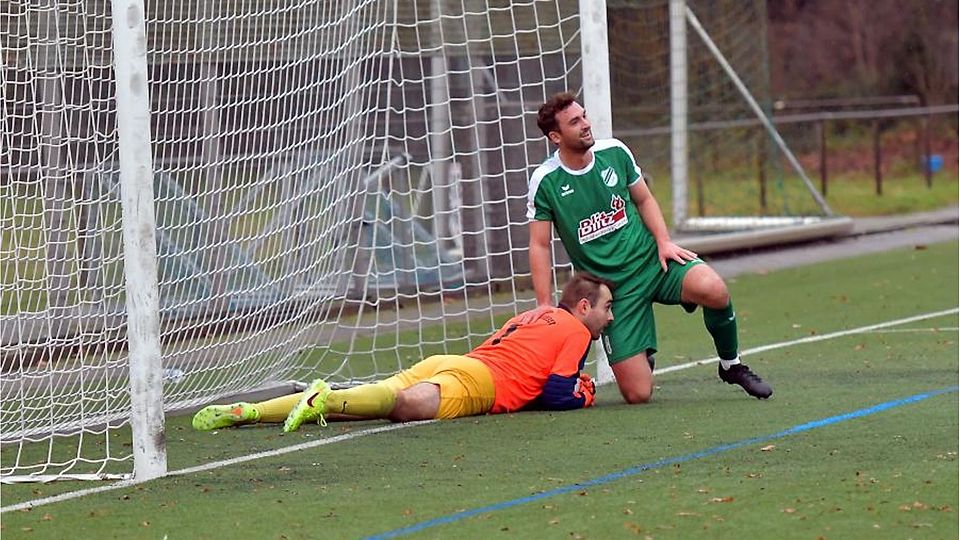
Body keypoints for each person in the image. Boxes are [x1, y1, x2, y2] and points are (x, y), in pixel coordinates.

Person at [526, 91, 772, 404]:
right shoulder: (545, 180)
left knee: (715, 289)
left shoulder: (614, 152)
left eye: (584, 115)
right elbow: (539, 244)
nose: (586, 124)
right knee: (638, 394)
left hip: (653, 263)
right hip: (612, 292)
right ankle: (642, 354)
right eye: (575, 122)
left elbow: (643, 198)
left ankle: (731, 365)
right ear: (555, 136)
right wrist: (544, 303)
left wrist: (663, 241)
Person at [192, 272, 615, 432]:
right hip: (481, 383)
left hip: (454, 363)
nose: (609, 317)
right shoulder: (574, 330)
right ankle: (323, 396)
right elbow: (556, 395)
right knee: (402, 406)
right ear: (582, 306)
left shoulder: (531, 315)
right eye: (606, 307)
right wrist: (587, 390)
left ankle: (248, 411)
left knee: (367, 401)